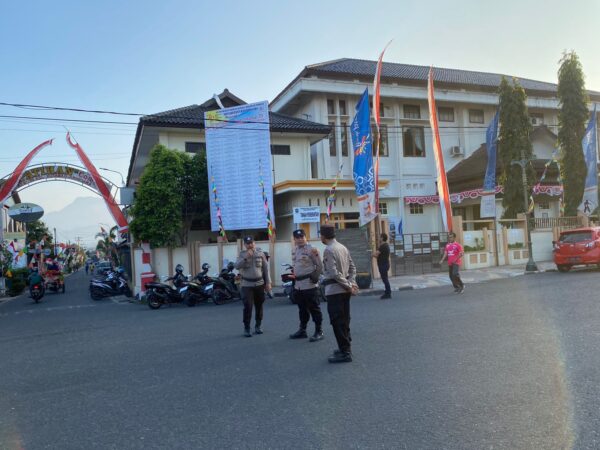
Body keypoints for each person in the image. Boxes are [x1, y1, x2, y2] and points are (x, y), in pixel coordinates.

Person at [320, 224, 358, 363]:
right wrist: (351, 283)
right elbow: (353, 267)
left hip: (335, 290)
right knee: (345, 319)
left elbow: (334, 273)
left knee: (337, 321)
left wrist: (349, 286)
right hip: (344, 290)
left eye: (321, 235)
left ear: (323, 236)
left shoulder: (328, 250)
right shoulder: (342, 247)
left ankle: (345, 352)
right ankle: (345, 347)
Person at [289, 229, 324, 342]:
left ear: (305, 237)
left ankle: (319, 331)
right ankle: (302, 330)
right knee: (302, 310)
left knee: (314, 309)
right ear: (294, 239)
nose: (300, 239)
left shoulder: (311, 250)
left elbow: (319, 265)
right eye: (297, 238)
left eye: (302, 237)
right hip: (298, 285)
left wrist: (315, 277)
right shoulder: (295, 250)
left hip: (309, 284)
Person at [235, 236, 271, 337]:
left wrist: (268, 283)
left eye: (251, 243)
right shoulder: (242, 254)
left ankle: (258, 326)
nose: (250, 245)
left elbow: (266, 269)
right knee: (248, 306)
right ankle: (247, 328)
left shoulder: (260, 253)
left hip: (259, 284)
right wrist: (246, 258)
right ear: (245, 245)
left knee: (259, 306)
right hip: (247, 284)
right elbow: (237, 266)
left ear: (254, 243)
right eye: (247, 243)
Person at [372, 233, 392, 299]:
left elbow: (376, 255)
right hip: (385, 264)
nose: (379, 238)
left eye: (380, 237)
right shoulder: (386, 245)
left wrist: (372, 254)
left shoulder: (382, 246)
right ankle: (387, 292)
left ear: (382, 238)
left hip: (383, 265)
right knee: (385, 279)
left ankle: (388, 293)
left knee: (385, 279)